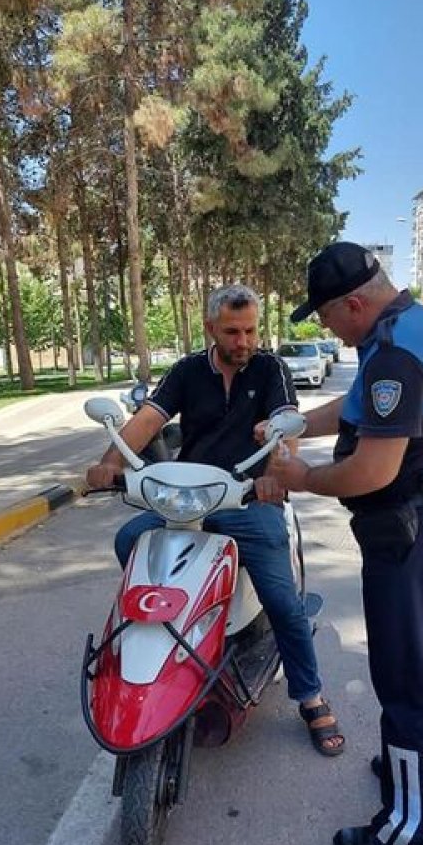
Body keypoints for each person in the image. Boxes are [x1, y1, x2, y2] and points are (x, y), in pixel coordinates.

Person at [267, 242, 423, 845]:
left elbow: (371, 471)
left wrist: (300, 477)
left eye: (327, 316)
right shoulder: (410, 324)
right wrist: (297, 423)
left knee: (405, 680)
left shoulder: (394, 354)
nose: (327, 327)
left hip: (409, 535)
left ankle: (408, 831)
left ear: (355, 302)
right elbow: (362, 411)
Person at [85, 283, 344, 756]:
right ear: (211, 328)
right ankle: (156, 650)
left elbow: (287, 425)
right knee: (129, 540)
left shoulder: (271, 368)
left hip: (247, 500)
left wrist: (276, 477)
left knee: (284, 603)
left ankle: (309, 695)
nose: (243, 341)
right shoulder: (187, 370)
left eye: (249, 331)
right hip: (185, 500)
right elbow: (146, 421)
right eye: (232, 331)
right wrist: (111, 464)